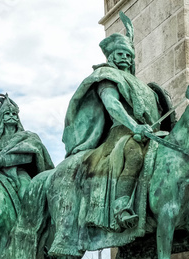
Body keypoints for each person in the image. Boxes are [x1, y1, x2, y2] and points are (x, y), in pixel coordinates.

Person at [62, 11, 166, 232]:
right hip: (122, 133)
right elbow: (112, 105)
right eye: (120, 54)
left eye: (128, 55)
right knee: (134, 152)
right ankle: (121, 205)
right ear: (111, 57)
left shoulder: (142, 86)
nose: (126, 59)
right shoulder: (106, 77)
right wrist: (133, 125)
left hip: (150, 133)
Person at [0, 94, 53, 203]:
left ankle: (30, 219)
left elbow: (30, 153)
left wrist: (3, 161)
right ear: (2, 118)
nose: (12, 116)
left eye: (14, 114)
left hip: (18, 175)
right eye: (7, 114)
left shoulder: (27, 136)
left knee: (26, 195)